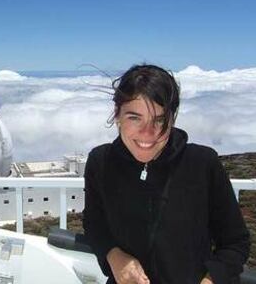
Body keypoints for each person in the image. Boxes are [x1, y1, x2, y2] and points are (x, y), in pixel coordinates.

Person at [83, 64, 250, 284]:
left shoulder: (202, 163)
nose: (147, 133)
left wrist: (211, 279)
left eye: (159, 120)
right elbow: (94, 222)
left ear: (172, 118)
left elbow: (235, 242)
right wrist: (114, 256)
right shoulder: (100, 162)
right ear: (118, 116)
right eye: (134, 117)